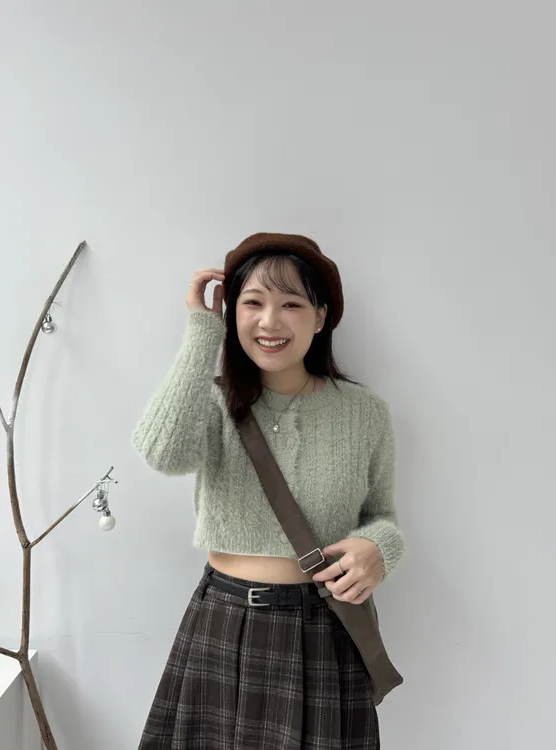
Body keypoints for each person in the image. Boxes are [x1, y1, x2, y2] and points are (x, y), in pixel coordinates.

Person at [131, 232, 406, 749]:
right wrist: (202, 333)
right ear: (232, 312)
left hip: (323, 627)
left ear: (320, 318)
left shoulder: (365, 413)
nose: (269, 321)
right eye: (253, 303)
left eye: (291, 304)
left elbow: (381, 516)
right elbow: (162, 452)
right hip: (222, 620)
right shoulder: (213, 404)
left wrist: (379, 549)